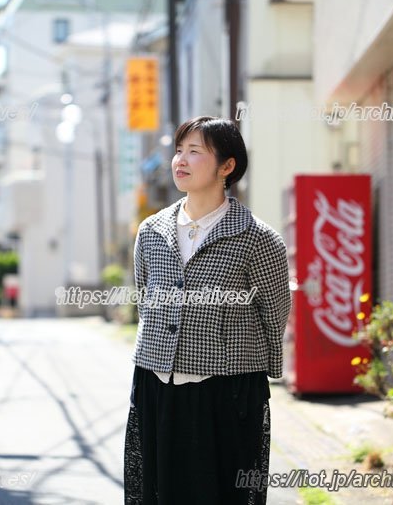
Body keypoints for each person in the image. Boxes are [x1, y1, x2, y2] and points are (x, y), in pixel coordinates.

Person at [124, 116, 291, 504]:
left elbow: (274, 310)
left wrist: (261, 366)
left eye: (194, 151)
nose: (180, 160)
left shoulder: (258, 238)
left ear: (227, 166)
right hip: (156, 384)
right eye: (179, 150)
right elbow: (145, 297)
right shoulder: (151, 231)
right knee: (157, 491)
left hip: (226, 391)